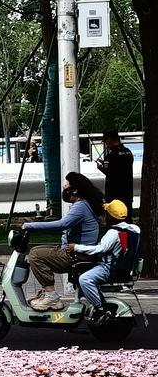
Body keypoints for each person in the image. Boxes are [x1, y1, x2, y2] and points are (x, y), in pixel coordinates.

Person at [22, 172, 104, 311]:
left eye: (66, 186)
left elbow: (61, 225)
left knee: (35, 254)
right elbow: (62, 228)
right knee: (40, 250)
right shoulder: (88, 204)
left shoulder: (81, 206)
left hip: (75, 254)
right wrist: (37, 229)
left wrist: (30, 226)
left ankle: (51, 296)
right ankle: (48, 293)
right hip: (79, 252)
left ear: (75, 190)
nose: (64, 189)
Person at [66, 199, 140, 325]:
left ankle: (100, 309)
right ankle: (95, 301)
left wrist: (76, 247)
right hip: (123, 267)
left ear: (110, 217)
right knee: (81, 277)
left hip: (108, 267)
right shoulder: (134, 229)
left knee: (84, 279)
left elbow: (100, 249)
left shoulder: (113, 232)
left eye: (106, 214)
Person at [97, 129, 135, 223]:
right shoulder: (128, 152)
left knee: (114, 220)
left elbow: (110, 173)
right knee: (127, 218)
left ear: (109, 140)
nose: (106, 144)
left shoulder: (112, 155)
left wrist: (101, 167)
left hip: (114, 194)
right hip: (127, 193)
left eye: (105, 141)